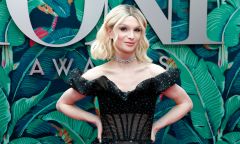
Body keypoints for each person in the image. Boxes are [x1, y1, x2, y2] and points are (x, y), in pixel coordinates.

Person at [56, 4, 193, 144]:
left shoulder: (154, 72)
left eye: (137, 30)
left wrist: (157, 126)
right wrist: (95, 120)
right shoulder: (97, 74)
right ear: (110, 31)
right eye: (123, 29)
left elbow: (185, 102)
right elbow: (62, 104)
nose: (131, 36)